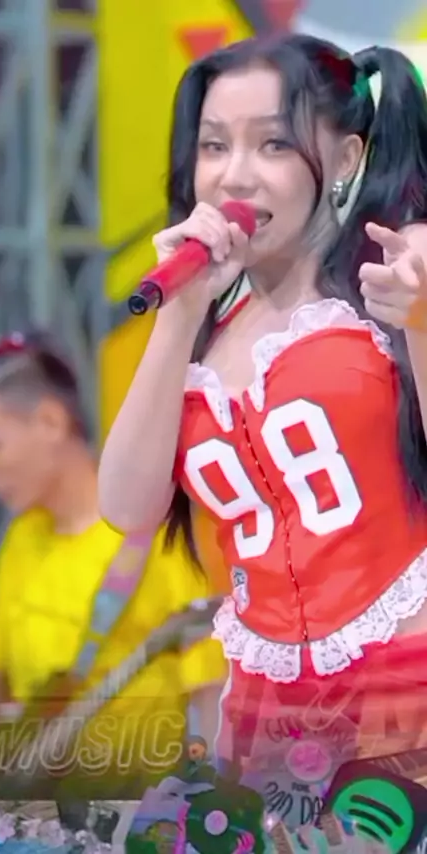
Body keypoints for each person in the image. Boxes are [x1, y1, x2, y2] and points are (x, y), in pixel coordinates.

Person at [98, 32, 427, 828]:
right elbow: (127, 507)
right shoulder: (200, 331)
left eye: (273, 144)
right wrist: (180, 316)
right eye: (214, 146)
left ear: (345, 159)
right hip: (267, 715)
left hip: (407, 687)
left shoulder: (395, 280)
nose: (234, 175)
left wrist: (421, 321)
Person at [0, 331, 227, 802]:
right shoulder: (23, 539)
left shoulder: (152, 533)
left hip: (138, 816)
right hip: (43, 815)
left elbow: (210, 694)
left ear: (50, 422)